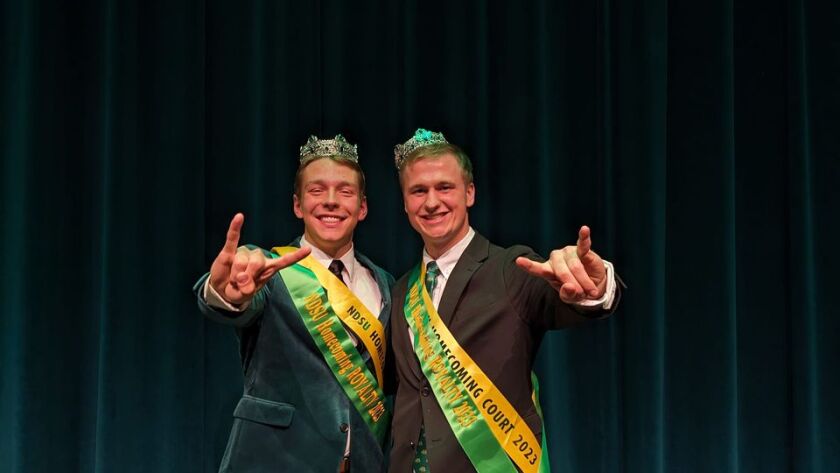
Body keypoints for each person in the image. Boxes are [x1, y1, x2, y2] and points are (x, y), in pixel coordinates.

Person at [387, 129, 622, 472]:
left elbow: (562, 300)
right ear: (405, 203)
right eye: (418, 191)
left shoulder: (510, 268)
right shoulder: (401, 290)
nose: (432, 202)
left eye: (445, 187)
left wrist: (596, 288)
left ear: (469, 193)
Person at [193, 134, 394, 472]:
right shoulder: (268, 271)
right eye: (316, 190)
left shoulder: (385, 284)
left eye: (345, 191)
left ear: (362, 208)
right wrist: (224, 291)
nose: (330, 201)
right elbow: (232, 301)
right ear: (298, 205)